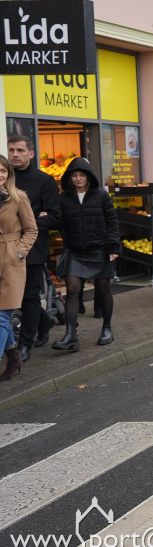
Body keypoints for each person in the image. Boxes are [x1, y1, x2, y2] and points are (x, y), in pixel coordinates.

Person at [52, 157, 117, 349]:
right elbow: (59, 221)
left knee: (103, 289)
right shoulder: (63, 198)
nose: (78, 179)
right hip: (75, 250)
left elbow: (112, 221)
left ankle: (107, 328)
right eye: (74, 175)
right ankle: (71, 335)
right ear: (69, 177)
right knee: (72, 290)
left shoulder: (101, 195)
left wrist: (114, 247)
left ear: (89, 177)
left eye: (82, 175)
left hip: (99, 249)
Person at [7, 135, 61, 361]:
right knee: (13, 296)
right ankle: (45, 320)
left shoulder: (44, 181)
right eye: (11, 150)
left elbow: (55, 217)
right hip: (5, 248)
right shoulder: (4, 178)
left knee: (29, 296)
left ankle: (24, 344)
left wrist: (26, 224)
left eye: (20, 150)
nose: (15, 154)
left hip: (32, 248)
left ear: (31, 153)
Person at [0, 154, 38, 379]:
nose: (0, 175)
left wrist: (19, 252)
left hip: (11, 260)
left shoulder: (18, 197)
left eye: (4, 171)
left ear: (9, 175)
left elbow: (32, 229)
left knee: (2, 315)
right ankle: (14, 358)